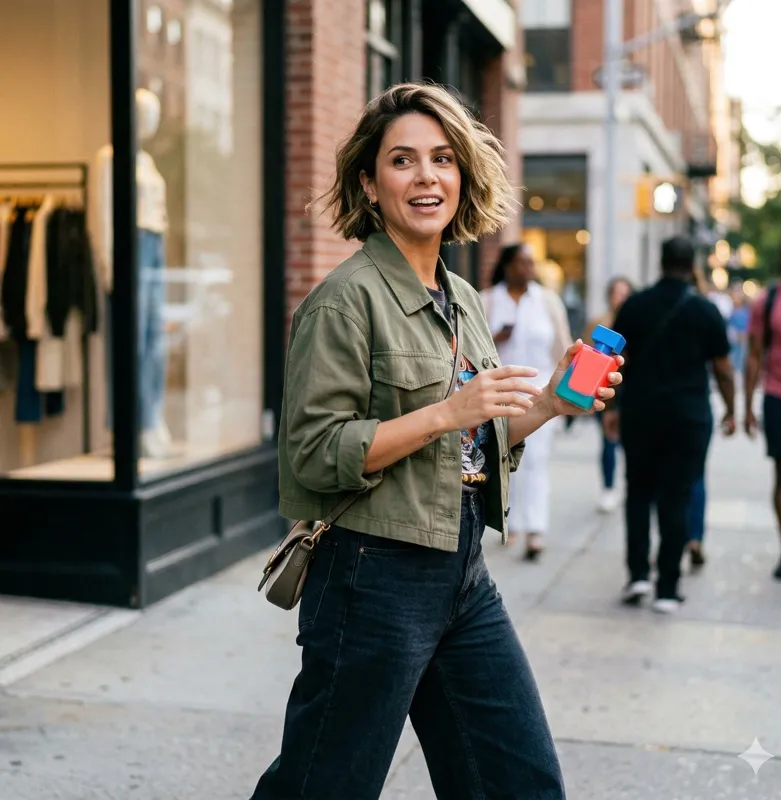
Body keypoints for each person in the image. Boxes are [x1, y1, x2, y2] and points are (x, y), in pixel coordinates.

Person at [247, 83, 622, 800]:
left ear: (463, 176)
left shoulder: (465, 299)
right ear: (370, 183)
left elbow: (474, 442)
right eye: (403, 160)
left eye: (443, 159)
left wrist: (546, 403)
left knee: (518, 781)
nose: (426, 177)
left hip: (461, 571)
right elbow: (313, 454)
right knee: (324, 784)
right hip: (371, 576)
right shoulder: (343, 301)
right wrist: (447, 412)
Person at [604, 236, 735, 614]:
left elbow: (616, 361)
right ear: (692, 265)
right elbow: (724, 370)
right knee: (676, 495)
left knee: (639, 493)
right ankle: (666, 588)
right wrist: (730, 410)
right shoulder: (706, 310)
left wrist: (611, 409)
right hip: (688, 417)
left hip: (642, 413)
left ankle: (637, 576)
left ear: (660, 262)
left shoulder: (634, 305)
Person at [480, 244, 571, 559]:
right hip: (501, 390)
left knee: (536, 460)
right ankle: (510, 522)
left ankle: (535, 529)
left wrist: (567, 393)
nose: (526, 269)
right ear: (506, 265)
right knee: (503, 457)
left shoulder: (546, 301)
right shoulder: (488, 299)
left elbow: (562, 347)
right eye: (520, 263)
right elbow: (469, 348)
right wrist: (496, 338)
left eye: (531, 263)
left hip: (541, 391)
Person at [745, 232, 781, 580]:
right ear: (780, 258)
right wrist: (747, 406)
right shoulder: (767, 300)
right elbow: (753, 354)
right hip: (780, 398)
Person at [583, 276, 634, 513]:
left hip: (629, 392)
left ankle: (631, 485)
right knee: (608, 441)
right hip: (603, 393)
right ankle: (608, 487)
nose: (620, 298)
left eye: (625, 293)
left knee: (630, 443)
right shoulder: (600, 324)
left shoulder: (637, 322)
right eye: (617, 293)